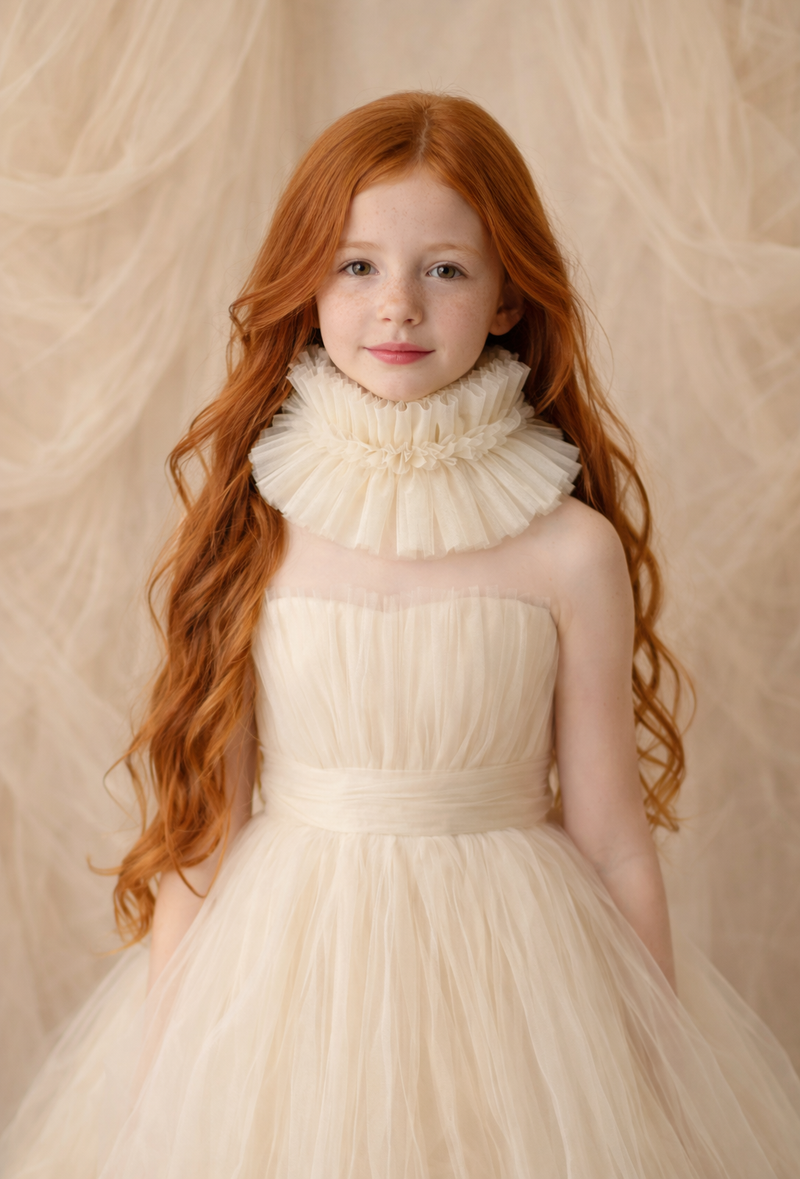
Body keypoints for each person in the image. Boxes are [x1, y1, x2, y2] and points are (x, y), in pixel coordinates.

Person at [2, 91, 799, 1178]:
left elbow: (612, 840)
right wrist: (163, 1075)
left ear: (510, 296)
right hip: (287, 990)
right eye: (357, 265)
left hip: (518, 991)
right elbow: (204, 839)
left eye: (445, 269)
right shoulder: (259, 526)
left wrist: (651, 1076)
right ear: (307, 287)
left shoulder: (567, 551)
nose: (398, 311)